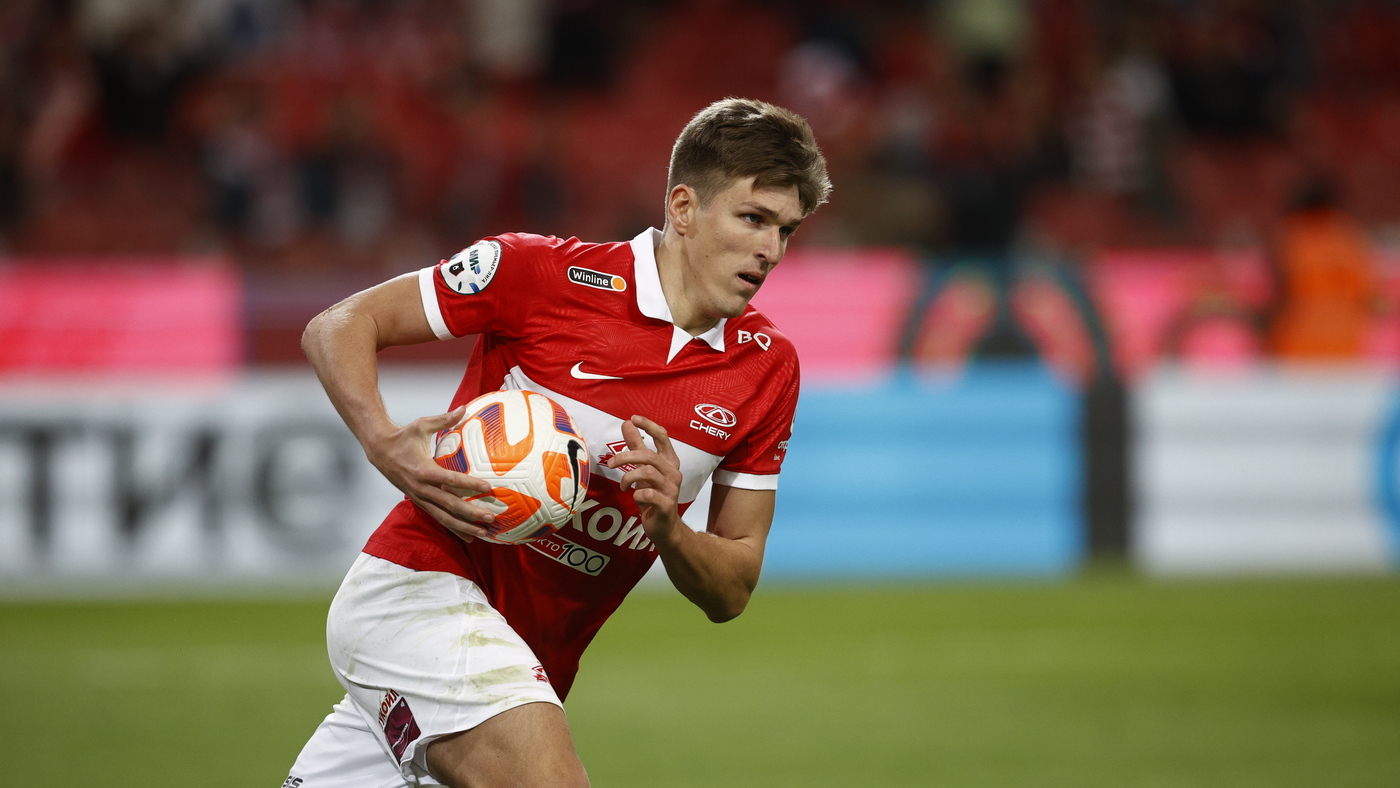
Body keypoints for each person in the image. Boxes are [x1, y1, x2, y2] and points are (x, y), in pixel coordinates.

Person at [285, 98, 830, 788]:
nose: (771, 250)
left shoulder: (767, 368)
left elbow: (733, 590)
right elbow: (339, 325)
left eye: (786, 230)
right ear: (684, 208)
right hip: (416, 592)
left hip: (529, 660)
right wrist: (383, 440)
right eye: (753, 218)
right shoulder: (536, 273)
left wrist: (669, 528)